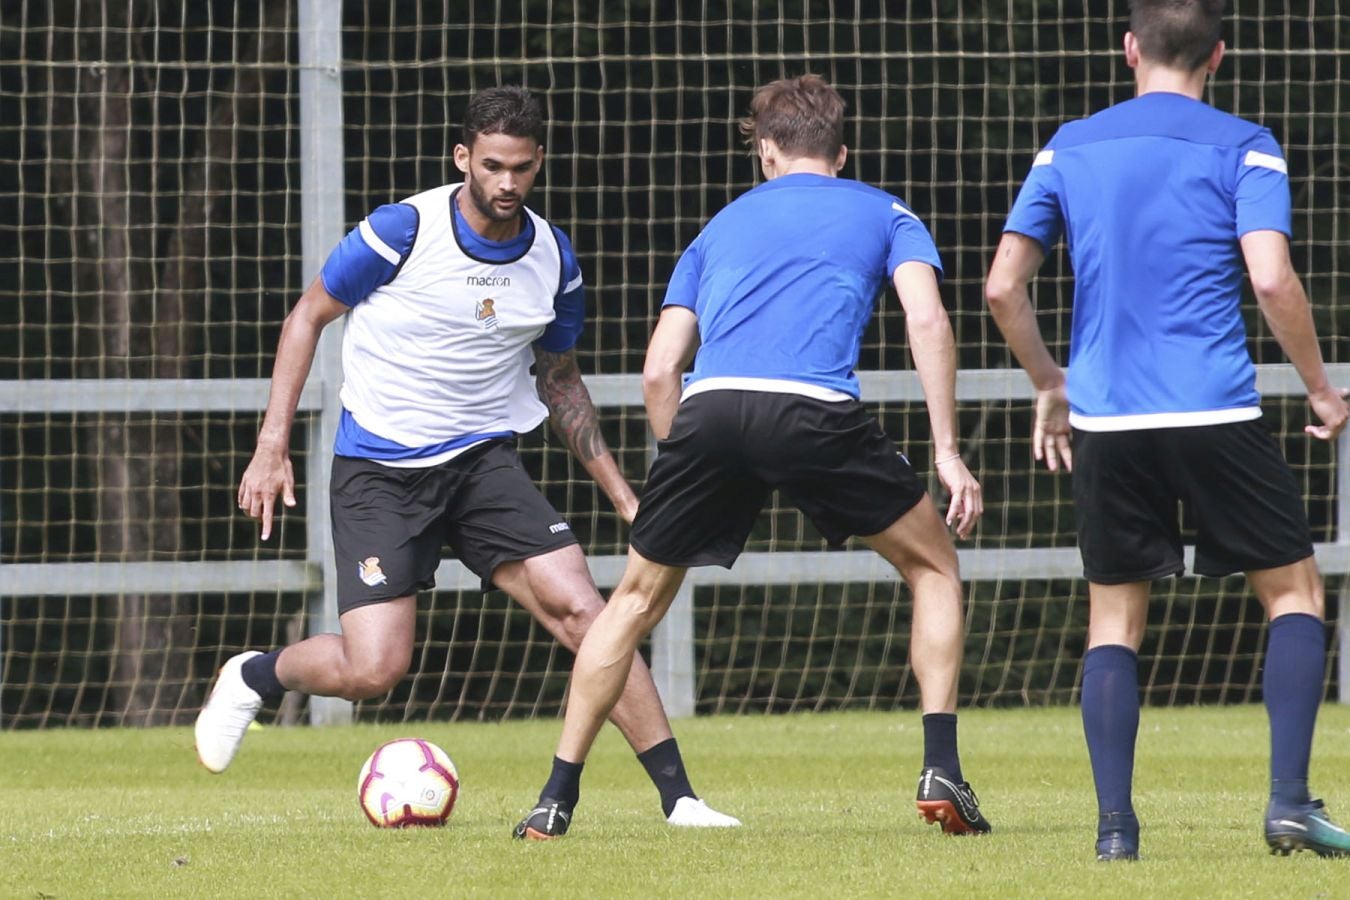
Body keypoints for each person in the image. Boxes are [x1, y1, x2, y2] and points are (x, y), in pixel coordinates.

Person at [195, 85, 739, 830]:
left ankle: (680, 799)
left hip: (484, 464)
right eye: (491, 166)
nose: (507, 183)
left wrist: (619, 491)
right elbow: (307, 316)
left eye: (520, 167)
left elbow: (559, 381)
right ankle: (254, 674)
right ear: (463, 159)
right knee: (374, 670)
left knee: (587, 611)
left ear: (538, 162)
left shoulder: (552, 259)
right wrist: (270, 444)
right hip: (380, 470)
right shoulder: (401, 232)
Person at [514, 74, 990, 840]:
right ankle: (941, 770)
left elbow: (659, 370)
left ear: (765, 150)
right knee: (933, 566)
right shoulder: (886, 211)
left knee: (631, 603)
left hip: (711, 410)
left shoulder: (720, 226)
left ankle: (554, 799)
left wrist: (684, 469)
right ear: (841, 152)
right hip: (815, 412)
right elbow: (928, 322)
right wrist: (946, 451)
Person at [985, 0, 1350, 861]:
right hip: (1215, 408)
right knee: (1294, 595)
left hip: (1108, 419)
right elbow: (1271, 279)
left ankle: (1116, 832)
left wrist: (1051, 383)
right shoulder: (1246, 143)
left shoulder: (1067, 146)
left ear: (1128, 51)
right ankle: (1289, 804)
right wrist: (1322, 390)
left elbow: (1003, 287)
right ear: (1218, 56)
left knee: (1113, 621)